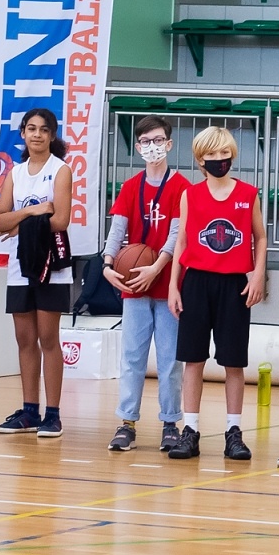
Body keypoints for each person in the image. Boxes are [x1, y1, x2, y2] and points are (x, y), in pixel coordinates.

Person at [167, 126, 267, 461]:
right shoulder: (190, 195)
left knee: (233, 362)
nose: (220, 159)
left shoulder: (248, 194)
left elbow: (260, 237)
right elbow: (181, 242)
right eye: (214, 155)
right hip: (197, 281)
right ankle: (191, 429)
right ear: (200, 159)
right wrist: (173, 286)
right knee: (193, 360)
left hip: (234, 283)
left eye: (226, 154)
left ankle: (233, 431)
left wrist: (257, 274)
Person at [103, 116, 187, 453]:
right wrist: (108, 264)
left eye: (158, 140)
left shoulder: (181, 186)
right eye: (145, 141)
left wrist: (157, 267)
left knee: (169, 359)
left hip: (167, 285)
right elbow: (117, 230)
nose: (152, 146)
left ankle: (170, 422)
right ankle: (127, 422)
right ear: (137, 147)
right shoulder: (129, 186)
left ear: (168, 143)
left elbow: (177, 234)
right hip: (134, 284)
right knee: (133, 357)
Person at [0, 108, 73, 439]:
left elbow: (61, 220)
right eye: (31, 128)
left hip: (50, 265)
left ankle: (52, 414)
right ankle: (29, 411)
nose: (37, 134)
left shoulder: (61, 171)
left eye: (43, 129)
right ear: (23, 134)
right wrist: (33, 211)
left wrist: (19, 224)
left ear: (52, 136)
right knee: (24, 339)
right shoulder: (15, 173)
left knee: (48, 338)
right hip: (18, 266)